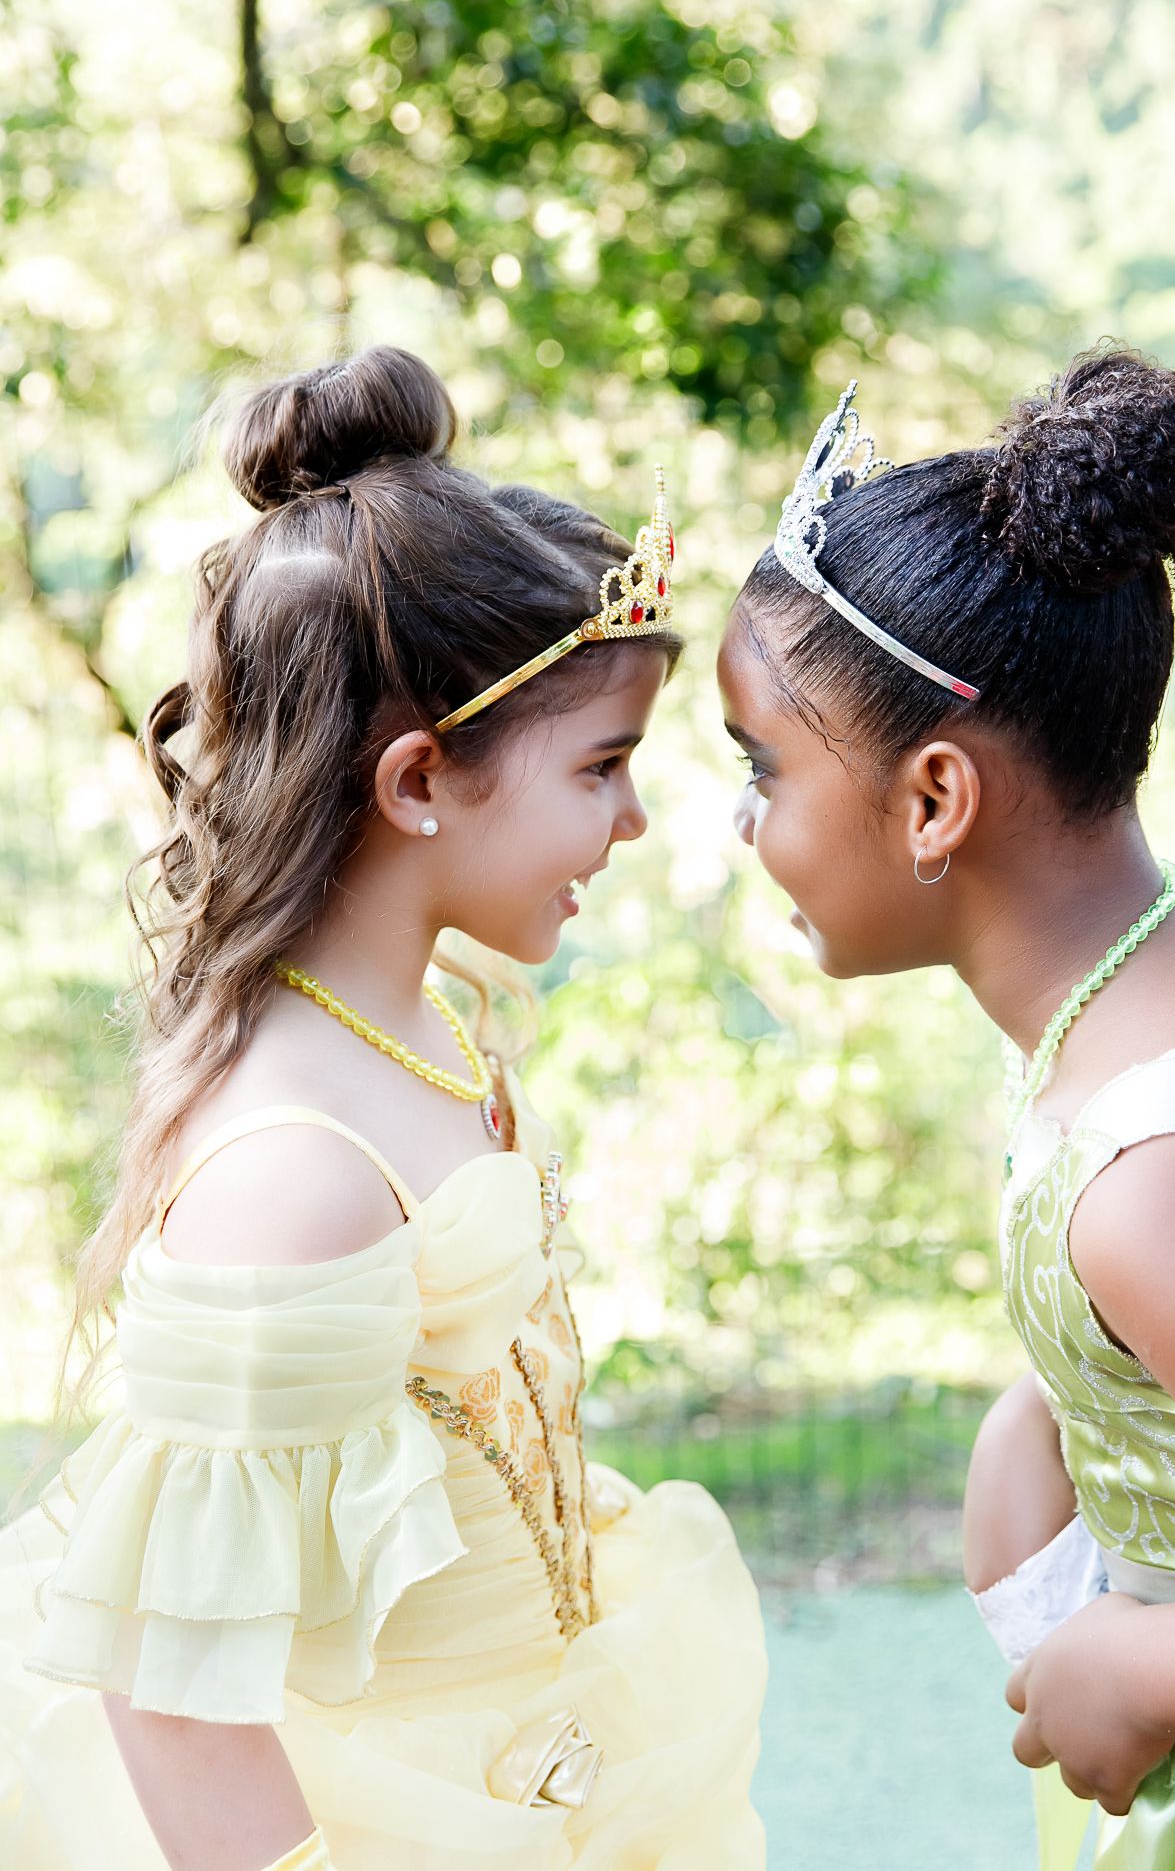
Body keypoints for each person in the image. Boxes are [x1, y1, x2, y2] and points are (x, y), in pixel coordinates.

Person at [0, 346, 766, 1871]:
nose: (631, 817)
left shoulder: (437, 1023)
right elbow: (170, 1689)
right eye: (603, 766)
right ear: (419, 783)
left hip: (540, 1765)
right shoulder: (297, 1172)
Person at [716, 348, 1175, 1866]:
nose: (740, 823)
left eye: (761, 767)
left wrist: (1139, 1664)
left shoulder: (1166, 1178)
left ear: (931, 801)